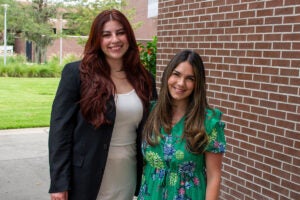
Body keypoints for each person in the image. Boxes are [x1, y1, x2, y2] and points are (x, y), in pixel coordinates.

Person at [48, 9, 157, 200]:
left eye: (120, 32)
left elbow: (152, 128)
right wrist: (59, 183)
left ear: (129, 36)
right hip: (85, 177)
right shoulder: (76, 74)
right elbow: (60, 132)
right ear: (97, 40)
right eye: (106, 35)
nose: (114, 40)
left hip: (127, 174)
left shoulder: (144, 79)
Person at [138, 49, 226, 200]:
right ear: (167, 75)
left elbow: (214, 176)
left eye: (190, 78)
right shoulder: (150, 112)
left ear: (197, 83)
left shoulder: (208, 122)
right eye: (176, 74)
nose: (181, 83)